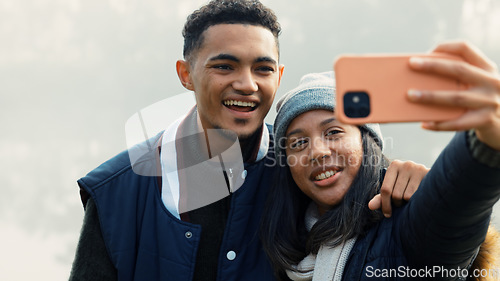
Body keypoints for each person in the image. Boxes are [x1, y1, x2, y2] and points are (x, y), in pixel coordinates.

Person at [69, 1, 429, 280]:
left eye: (263, 68)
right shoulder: (118, 190)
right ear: (186, 74)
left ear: (279, 75)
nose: (247, 84)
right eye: (224, 66)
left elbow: (380, 216)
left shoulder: (302, 169)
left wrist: (421, 185)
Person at [260, 41, 500, 281]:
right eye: (298, 143)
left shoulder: (406, 220)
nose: (317, 152)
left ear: (367, 142)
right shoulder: (280, 252)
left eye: (333, 132)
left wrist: (486, 138)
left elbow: (457, 203)